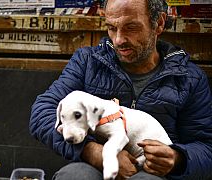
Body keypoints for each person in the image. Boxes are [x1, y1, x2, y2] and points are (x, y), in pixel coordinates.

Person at [29, 0, 212, 179]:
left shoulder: (188, 78)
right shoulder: (88, 62)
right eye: (112, 27)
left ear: (159, 24)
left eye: (131, 27)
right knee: (75, 175)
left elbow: (207, 147)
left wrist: (178, 158)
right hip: (93, 167)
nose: (118, 39)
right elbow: (43, 111)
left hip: (153, 172)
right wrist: (93, 152)